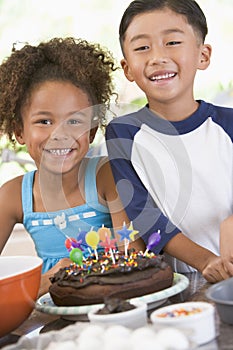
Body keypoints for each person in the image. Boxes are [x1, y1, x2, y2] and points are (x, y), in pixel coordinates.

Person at [0, 37, 144, 296]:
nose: (60, 134)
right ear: (19, 131)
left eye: (75, 121)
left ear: (91, 132)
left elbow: (132, 253)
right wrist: (45, 282)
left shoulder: (106, 176)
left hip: (115, 306)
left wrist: (74, 269)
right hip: (51, 315)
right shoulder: (12, 196)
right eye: (44, 121)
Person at [105, 0, 233, 282]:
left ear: (203, 55)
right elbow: (143, 213)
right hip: (177, 281)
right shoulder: (123, 133)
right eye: (142, 48)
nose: (157, 57)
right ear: (128, 68)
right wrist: (205, 261)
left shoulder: (229, 123)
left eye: (172, 42)